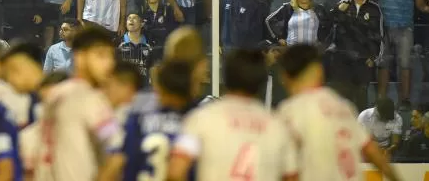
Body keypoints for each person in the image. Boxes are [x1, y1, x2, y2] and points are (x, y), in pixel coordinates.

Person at [167, 49, 297, 180]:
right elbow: (291, 177)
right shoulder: (278, 126)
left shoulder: (202, 118)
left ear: (226, 76)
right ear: (262, 80)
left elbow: (177, 170)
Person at [277, 44, 401, 180]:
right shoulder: (342, 106)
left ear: (285, 76)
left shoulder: (291, 111)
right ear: (319, 71)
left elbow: (289, 172)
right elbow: (372, 151)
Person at [36, 25, 122, 179]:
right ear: (80, 57)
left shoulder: (55, 94)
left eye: (110, 56)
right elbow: (117, 153)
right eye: (101, 55)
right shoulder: (90, 99)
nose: (109, 64)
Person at [368, 0, 429, 108]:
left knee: (405, 64)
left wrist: (427, 8)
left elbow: (419, 3)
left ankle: (404, 99)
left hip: (405, 27)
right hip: (383, 26)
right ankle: (381, 99)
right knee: (383, 63)